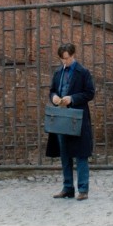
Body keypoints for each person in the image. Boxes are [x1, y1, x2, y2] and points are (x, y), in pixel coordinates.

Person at [48, 42, 95, 201]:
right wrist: (54, 97)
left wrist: (72, 98)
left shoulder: (83, 72)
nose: (64, 61)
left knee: (81, 154)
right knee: (65, 154)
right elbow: (52, 91)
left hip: (78, 118)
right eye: (62, 59)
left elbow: (90, 93)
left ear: (73, 55)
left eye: (67, 58)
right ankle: (68, 188)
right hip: (62, 118)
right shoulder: (58, 72)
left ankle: (83, 189)